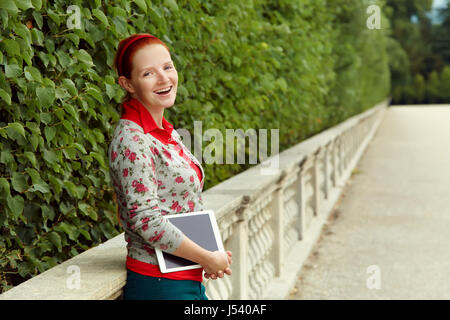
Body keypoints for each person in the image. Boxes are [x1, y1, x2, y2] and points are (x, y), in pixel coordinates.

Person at [108, 33, 232, 300]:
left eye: (167, 67)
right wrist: (207, 257)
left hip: (184, 278)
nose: (164, 78)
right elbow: (147, 220)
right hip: (160, 284)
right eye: (148, 73)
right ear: (127, 83)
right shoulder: (133, 139)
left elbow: (178, 204)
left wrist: (207, 254)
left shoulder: (164, 132)